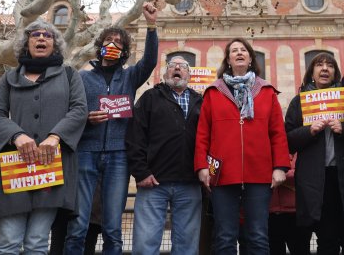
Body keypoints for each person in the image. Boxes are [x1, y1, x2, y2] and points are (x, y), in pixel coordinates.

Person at [0, 20, 88, 254]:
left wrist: (55, 137)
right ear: (27, 42)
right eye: (35, 35)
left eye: (48, 35)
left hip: (52, 166)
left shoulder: (70, 75)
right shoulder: (8, 77)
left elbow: (79, 110)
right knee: (9, 240)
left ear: (55, 44)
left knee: (37, 241)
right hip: (16, 168)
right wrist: (17, 136)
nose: (41, 38)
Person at [64, 1, 158, 255]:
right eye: (109, 40)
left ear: (125, 50)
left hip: (118, 156)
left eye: (119, 42)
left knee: (113, 227)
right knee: (78, 224)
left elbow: (149, 61)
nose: (113, 45)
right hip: (86, 153)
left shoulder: (129, 77)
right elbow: (71, 112)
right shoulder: (82, 78)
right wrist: (87, 119)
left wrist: (151, 26)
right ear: (100, 46)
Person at [194, 37, 290, 255]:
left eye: (243, 50)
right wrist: (201, 166)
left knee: (257, 236)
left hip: (259, 173)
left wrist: (280, 167)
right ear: (228, 60)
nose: (239, 53)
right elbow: (202, 134)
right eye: (234, 51)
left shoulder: (266, 91)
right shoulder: (213, 92)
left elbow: (278, 133)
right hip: (222, 174)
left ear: (250, 59)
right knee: (225, 236)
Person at [285, 53, 344, 255]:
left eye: (330, 65)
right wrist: (309, 131)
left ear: (336, 72)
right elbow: (287, 141)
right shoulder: (299, 102)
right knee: (326, 240)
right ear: (312, 72)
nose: (325, 68)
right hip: (316, 182)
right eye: (319, 65)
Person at [127, 55, 203, 254]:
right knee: (145, 245)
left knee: (187, 246)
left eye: (183, 66)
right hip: (153, 183)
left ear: (189, 73)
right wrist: (141, 173)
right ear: (165, 72)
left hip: (190, 184)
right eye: (172, 65)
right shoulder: (150, 97)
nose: (177, 68)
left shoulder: (199, 101)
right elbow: (135, 136)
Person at [267, 154, 312, 255]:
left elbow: (303, 172)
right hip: (271, 214)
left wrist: (278, 174)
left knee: (300, 249)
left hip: (296, 214)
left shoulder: (299, 148)